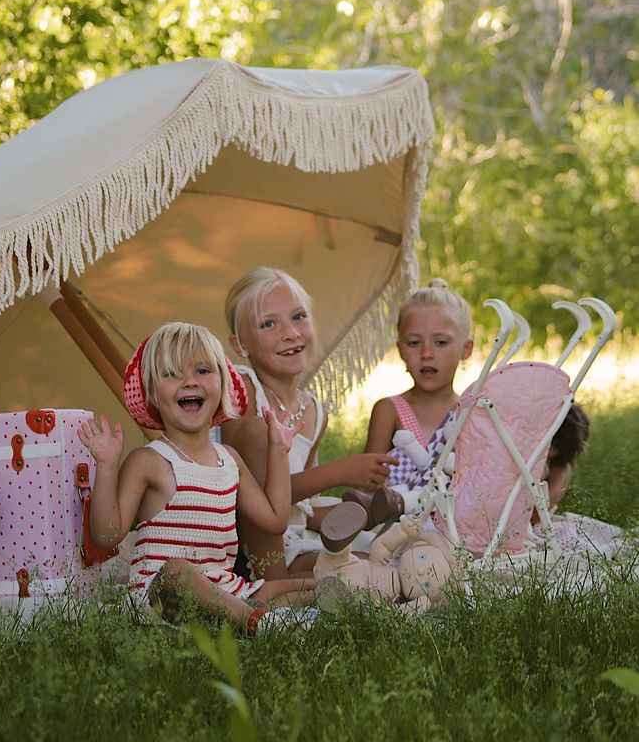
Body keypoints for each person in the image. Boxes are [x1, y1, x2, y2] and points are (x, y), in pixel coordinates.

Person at [77, 321, 314, 632]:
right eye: (172, 374)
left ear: (223, 384)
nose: (189, 382)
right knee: (178, 571)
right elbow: (107, 535)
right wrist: (107, 466)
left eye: (202, 371)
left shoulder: (230, 460)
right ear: (151, 392)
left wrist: (279, 452)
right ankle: (256, 622)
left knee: (305, 586)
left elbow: (274, 519)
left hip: (224, 590)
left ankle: (284, 607)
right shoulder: (149, 460)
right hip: (162, 595)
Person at [221, 267, 396, 578]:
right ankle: (272, 586)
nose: (290, 332)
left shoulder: (314, 411)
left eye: (299, 317)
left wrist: (363, 514)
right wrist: (341, 471)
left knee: (375, 562)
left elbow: (300, 506)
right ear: (240, 345)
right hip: (240, 542)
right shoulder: (240, 388)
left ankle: (319, 579)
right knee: (261, 430)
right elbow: (245, 491)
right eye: (268, 324)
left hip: (291, 537)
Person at [346, 278, 473, 527]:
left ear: (466, 349)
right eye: (414, 343)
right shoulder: (390, 410)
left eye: (441, 342)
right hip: (393, 527)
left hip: (454, 529)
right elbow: (368, 483)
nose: (427, 353)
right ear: (401, 350)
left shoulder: (470, 413)